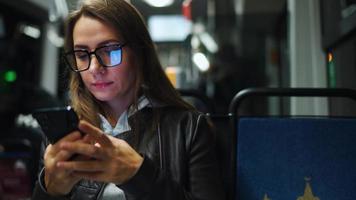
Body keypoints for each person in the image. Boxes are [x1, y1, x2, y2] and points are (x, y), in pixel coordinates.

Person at [32, 0, 225, 199]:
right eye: (82, 54)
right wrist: (50, 190)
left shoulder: (189, 128)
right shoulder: (64, 135)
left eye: (109, 50)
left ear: (139, 53)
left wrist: (138, 175)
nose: (94, 68)